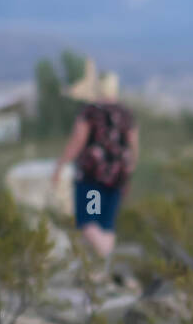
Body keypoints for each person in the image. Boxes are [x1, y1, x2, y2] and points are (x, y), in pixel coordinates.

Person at [52, 61, 138, 265]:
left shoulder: (90, 112)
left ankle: (108, 262)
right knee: (106, 226)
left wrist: (60, 165)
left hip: (93, 178)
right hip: (117, 178)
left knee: (90, 222)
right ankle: (101, 269)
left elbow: (78, 141)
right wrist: (128, 171)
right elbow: (134, 146)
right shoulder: (125, 113)